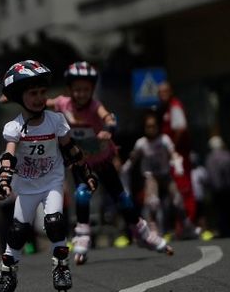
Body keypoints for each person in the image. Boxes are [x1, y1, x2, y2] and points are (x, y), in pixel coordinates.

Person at [0, 60, 98, 292]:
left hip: (51, 183)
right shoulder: (14, 127)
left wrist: (86, 173)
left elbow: (71, 150)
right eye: (32, 93)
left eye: (42, 93)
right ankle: (7, 276)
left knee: (54, 223)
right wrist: (5, 183)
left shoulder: (55, 121)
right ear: (19, 96)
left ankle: (61, 269)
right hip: (26, 186)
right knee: (16, 233)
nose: (39, 99)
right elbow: (9, 157)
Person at [49, 61, 171, 264]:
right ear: (69, 89)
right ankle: (83, 235)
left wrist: (108, 129)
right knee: (81, 194)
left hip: (102, 159)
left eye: (86, 90)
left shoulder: (95, 106)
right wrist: (17, 96)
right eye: (77, 90)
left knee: (121, 198)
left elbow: (109, 118)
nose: (81, 94)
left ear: (92, 90)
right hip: (82, 162)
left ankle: (142, 233)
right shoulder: (63, 103)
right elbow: (43, 103)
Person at [124, 112, 200, 240]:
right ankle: (153, 230)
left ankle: (187, 226)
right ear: (144, 128)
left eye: (154, 126)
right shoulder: (141, 143)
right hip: (151, 176)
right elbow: (133, 158)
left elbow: (173, 153)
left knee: (177, 200)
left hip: (165, 174)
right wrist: (126, 167)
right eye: (148, 126)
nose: (151, 129)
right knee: (152, 202)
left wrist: (177, 164)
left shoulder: (164, 139)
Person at [157, 81, 197, 225]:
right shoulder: (165, 109)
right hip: (174, 156)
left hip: (179, 156)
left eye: (165, 92)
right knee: (177, 189)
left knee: (183, 187)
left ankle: (189, 221)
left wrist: (172, 148)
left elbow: (180, 128)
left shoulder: (175, 107)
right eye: (160, 93)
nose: (162, 95)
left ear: (171, 92)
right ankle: (182, 223)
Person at [205, 136, 230, 238]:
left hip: (216, 190)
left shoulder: (210, 158)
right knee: (229, 211)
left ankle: (223, 231)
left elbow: (210, 176)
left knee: (220, 212)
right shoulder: (228, 155)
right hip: (229, 188)